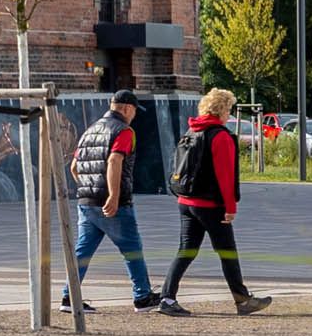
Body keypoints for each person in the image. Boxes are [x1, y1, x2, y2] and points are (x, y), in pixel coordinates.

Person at [158, 85, 272, 316]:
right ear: (221, 110)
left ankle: (167, 298)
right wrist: (230, 208)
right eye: (228, 109)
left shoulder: (190, 132)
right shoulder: (219, 136)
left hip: (186, 201)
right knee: (227, 252)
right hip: (210, 205)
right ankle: (242, 301)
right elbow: (225, 176)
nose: (229, 114)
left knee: (186, 250)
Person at [66, 89, 157, 311]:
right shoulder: (124, 131)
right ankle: (142, 296)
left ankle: (69, 298)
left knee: (82, 251)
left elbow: (74, 167)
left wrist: (88, 188)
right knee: (132, 248)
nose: (134, 115)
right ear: (126, 108)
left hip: (86, 202)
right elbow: (115, 161)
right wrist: (113, 196)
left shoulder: (90, 130)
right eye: (134, 110)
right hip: (113, 203)